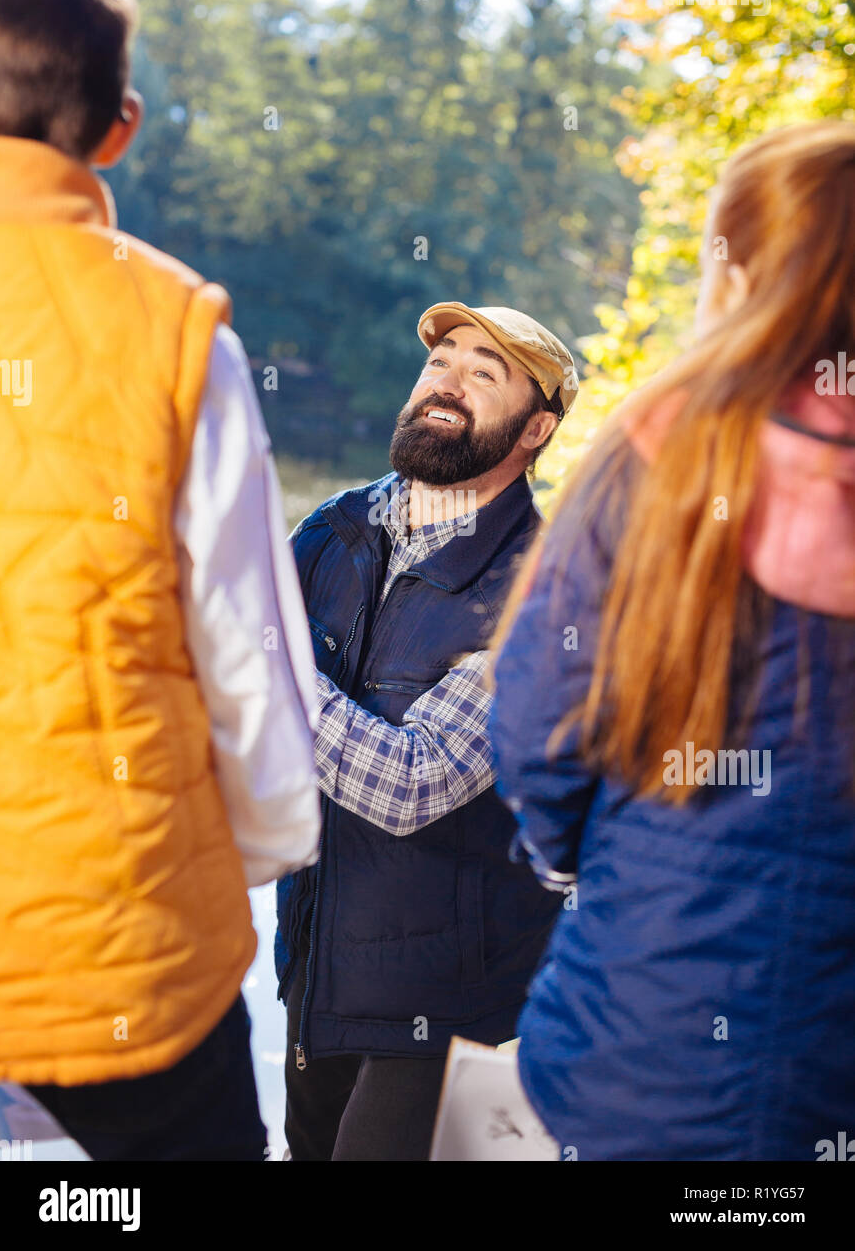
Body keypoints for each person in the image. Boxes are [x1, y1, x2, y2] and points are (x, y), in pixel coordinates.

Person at [0, 0, 321, 1161]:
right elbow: (245, 647)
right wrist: (271, 842)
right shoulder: (177, 330)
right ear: (116, 128)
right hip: (124, 946)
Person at [489, 120, 855, 1161]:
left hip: (639, 1031)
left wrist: (567, 854)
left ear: (737, 283)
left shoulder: (657, 450)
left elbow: (538, 723)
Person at [275, 300, 579, 1161]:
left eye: (485, 375)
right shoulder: (330, 532)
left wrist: (257, 664)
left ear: (536, 430)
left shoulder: (543, 589)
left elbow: (414, 783)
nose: (447, 385)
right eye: (440, 363)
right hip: (313, 976)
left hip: (449, 1004)